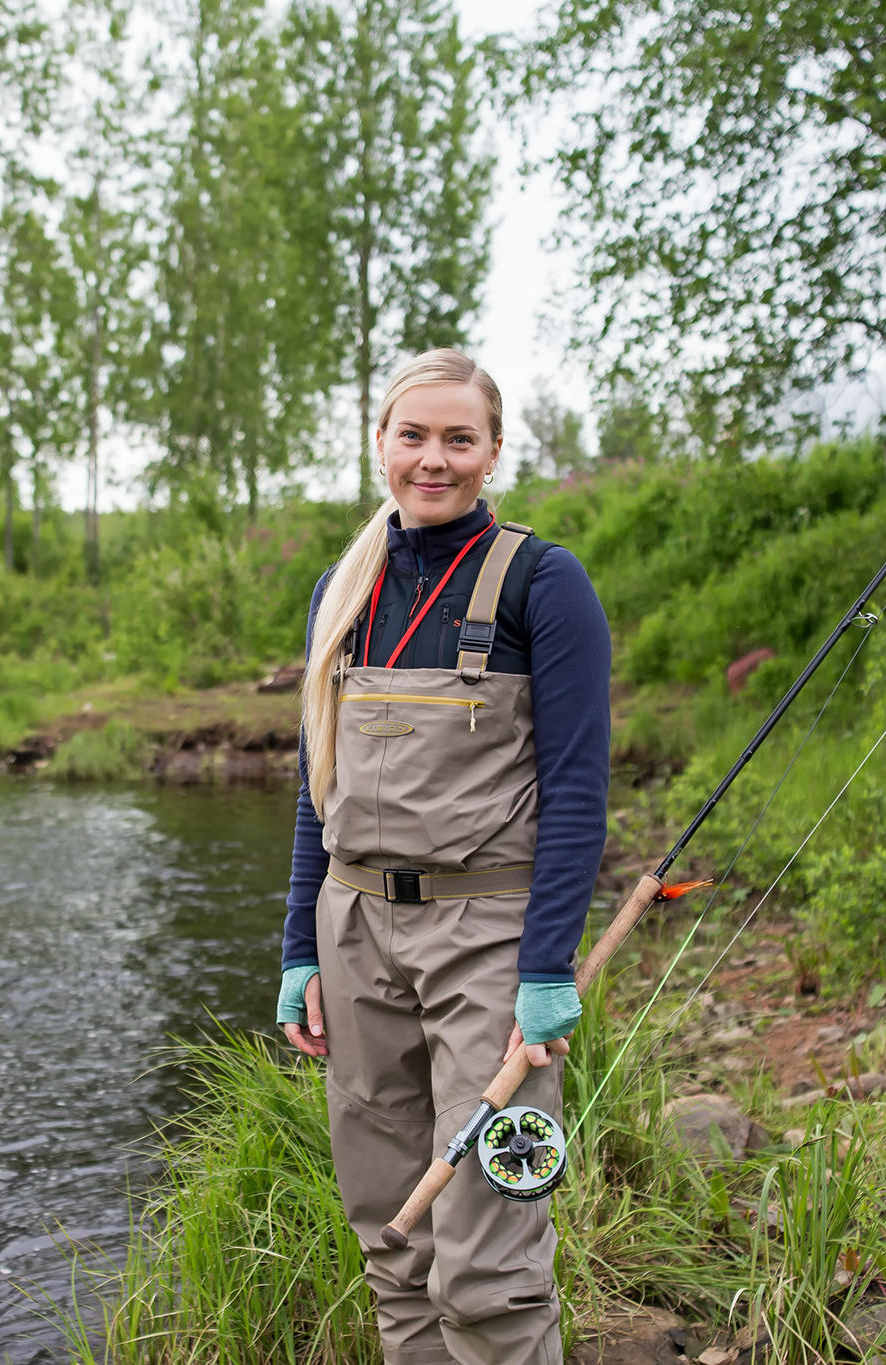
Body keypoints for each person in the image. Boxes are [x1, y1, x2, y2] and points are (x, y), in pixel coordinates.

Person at [276, 348, 611, 1365]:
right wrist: (300, 950)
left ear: (494, 450)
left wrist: (547, 968)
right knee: (393, 1233)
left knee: (488, 1254)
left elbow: (580, 792)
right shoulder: (345, 587)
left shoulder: (544, 584)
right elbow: (314, 789)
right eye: (412, 436)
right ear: (381, 444)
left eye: (458, 439)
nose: (434, 459)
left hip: (491, 945)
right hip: (354, 930)